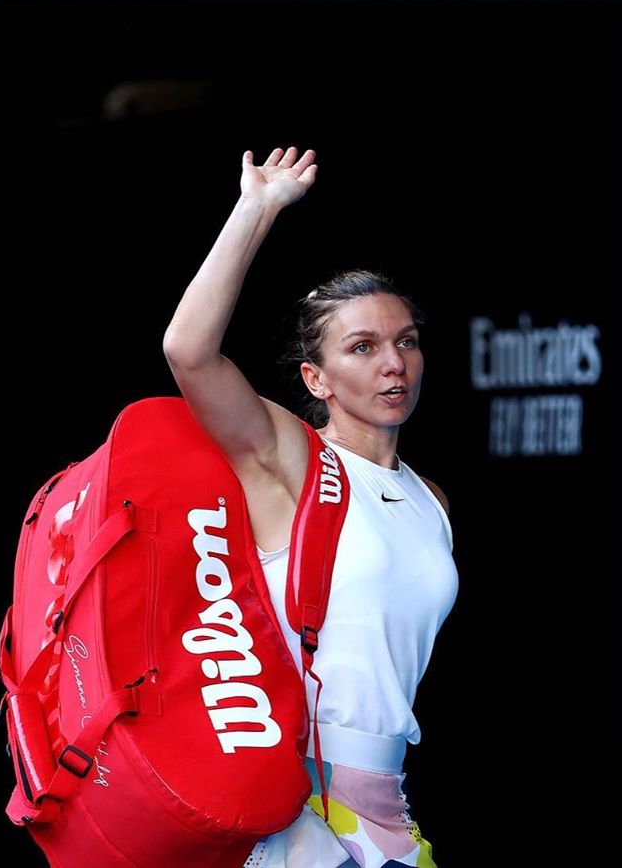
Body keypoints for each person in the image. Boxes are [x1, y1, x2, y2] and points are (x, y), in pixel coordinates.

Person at [163, 146, 459, 868]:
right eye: (363, 348)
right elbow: (188, 351)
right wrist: (255, 209)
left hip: (384, 798)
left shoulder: (432, 499)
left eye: (406, 342)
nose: (394, 364)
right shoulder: (293, 460)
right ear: (316, 378)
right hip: (290, 801)